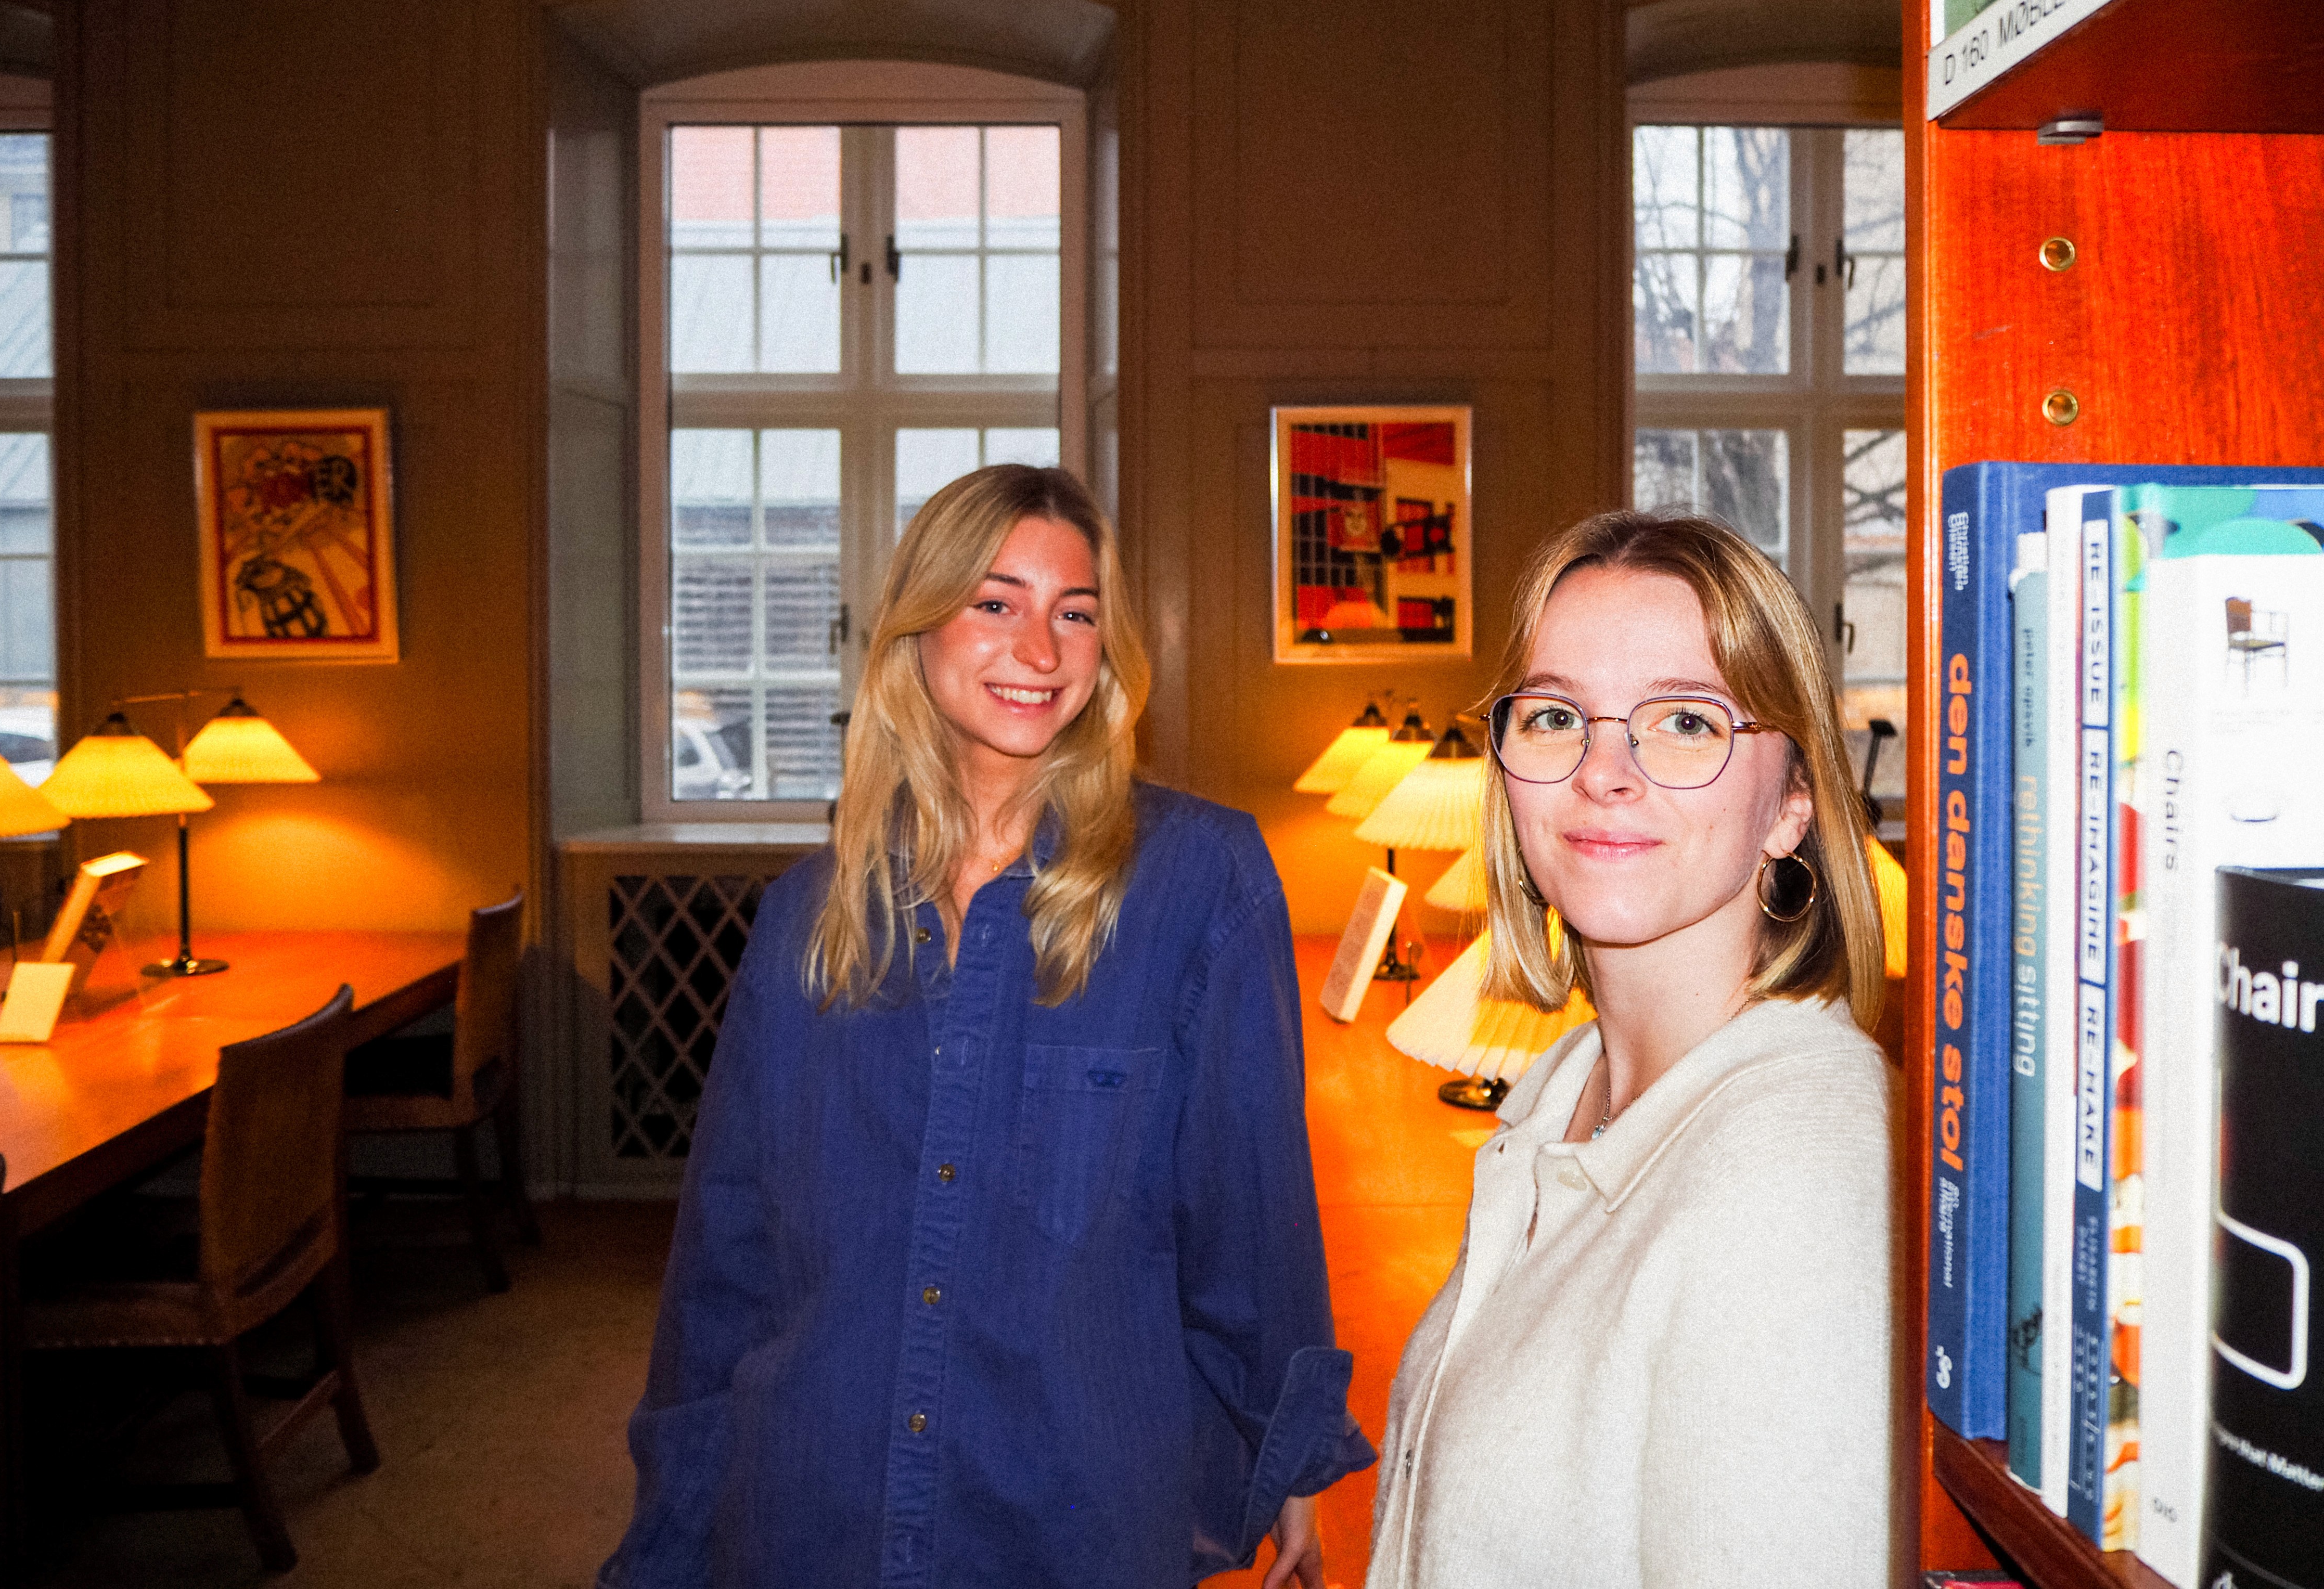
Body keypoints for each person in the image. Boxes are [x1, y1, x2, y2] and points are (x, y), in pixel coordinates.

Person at [603, 464, 1373, 1589]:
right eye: (997, 603)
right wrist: (668, 1534)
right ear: (920, 627)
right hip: (816, 1504)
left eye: (1076, 614)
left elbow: (1249, 1210)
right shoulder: (805, 919)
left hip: (1065, 1519)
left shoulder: (1199, 882)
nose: (1043, 648)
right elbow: (726, 1261)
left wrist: (1292, 1453)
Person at [1368, 509, 1893, 1588]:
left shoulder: (1801, 1164)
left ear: (1794, 801)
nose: (1605, 771)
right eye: (1559, 715)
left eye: (1687, 723)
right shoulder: (1564, 1090)